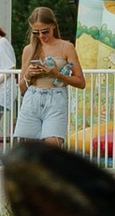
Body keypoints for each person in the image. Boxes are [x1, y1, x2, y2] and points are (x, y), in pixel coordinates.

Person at [13, 10, 82, 145]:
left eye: (45, 32)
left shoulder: (66, 47)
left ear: (53, 26)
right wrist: (28, 75)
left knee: (52, 144)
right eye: (36, 32)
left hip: (55, 97)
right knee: (28, 148)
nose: (41, 36)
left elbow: (80, 82)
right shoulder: (29, 49)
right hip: (32, 97)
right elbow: (21, 88)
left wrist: (57, 74)